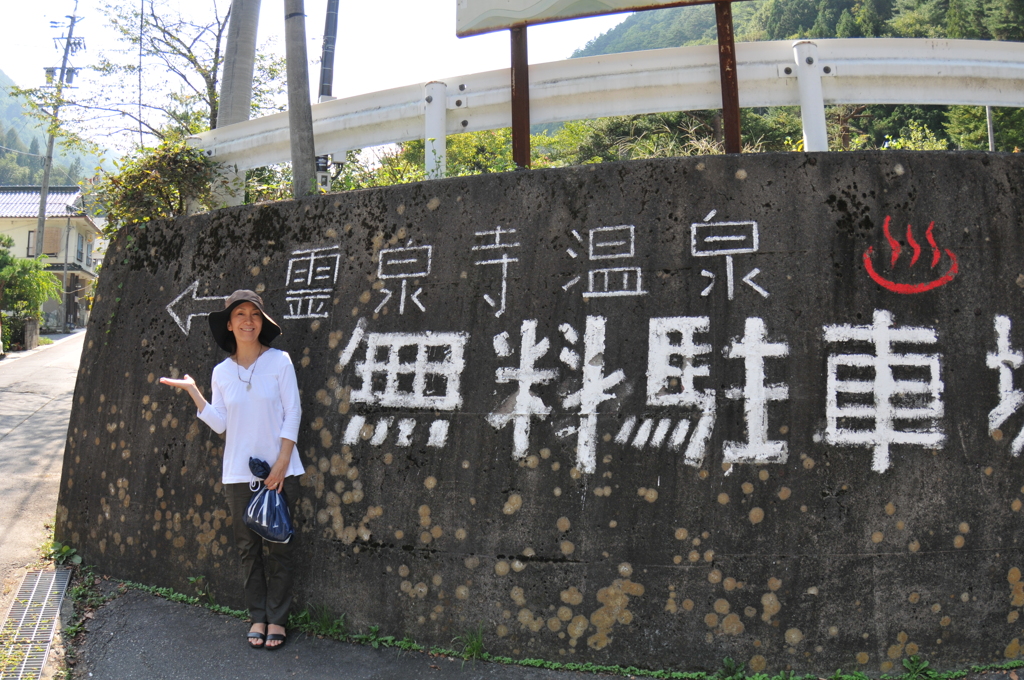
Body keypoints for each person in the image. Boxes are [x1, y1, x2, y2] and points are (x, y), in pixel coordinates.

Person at [160, 290, 303, 651]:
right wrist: (195, 392)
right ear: (229, 323)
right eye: (240, 313)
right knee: (247, 549)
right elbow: (222, 424)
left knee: (280, 547)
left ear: (262, 322)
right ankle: (258, 616)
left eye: (254, 314)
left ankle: (278, 619)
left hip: (280, 472)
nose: (248, 320)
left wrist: (283, 461)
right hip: (239, 474)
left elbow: (293, 412)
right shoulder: (221, 372)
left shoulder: (280, 361)